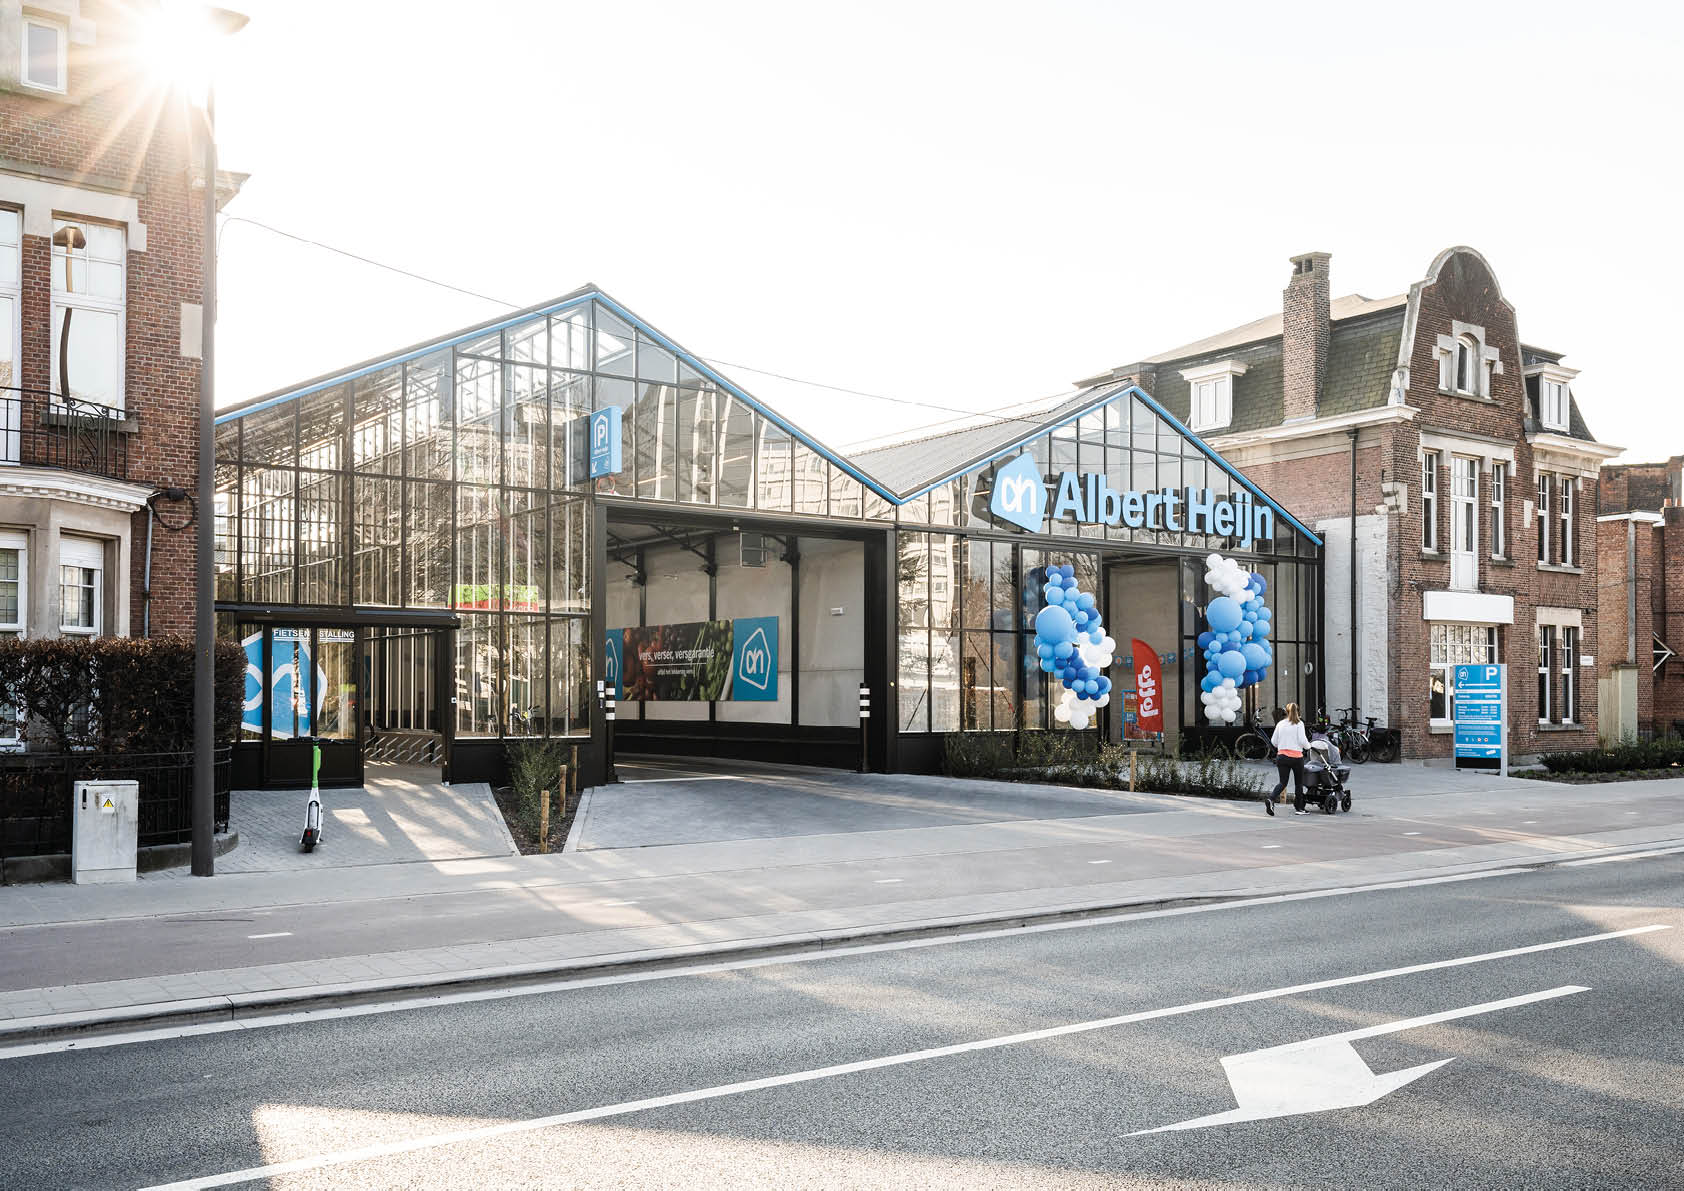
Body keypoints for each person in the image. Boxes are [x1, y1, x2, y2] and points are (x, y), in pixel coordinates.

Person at [1265, 703, 1310, 817]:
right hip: (1296, 758)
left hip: (1282, 757)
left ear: (1286, 711)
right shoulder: (1299, 724)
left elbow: (1274, 741)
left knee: (1283, 782)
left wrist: (1283, 744)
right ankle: (1299, 808)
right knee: (1298, 784)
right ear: (1298, 711)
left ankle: (1271, 799)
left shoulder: (1280, 724)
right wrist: (1309, 746)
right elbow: (1302, 740)